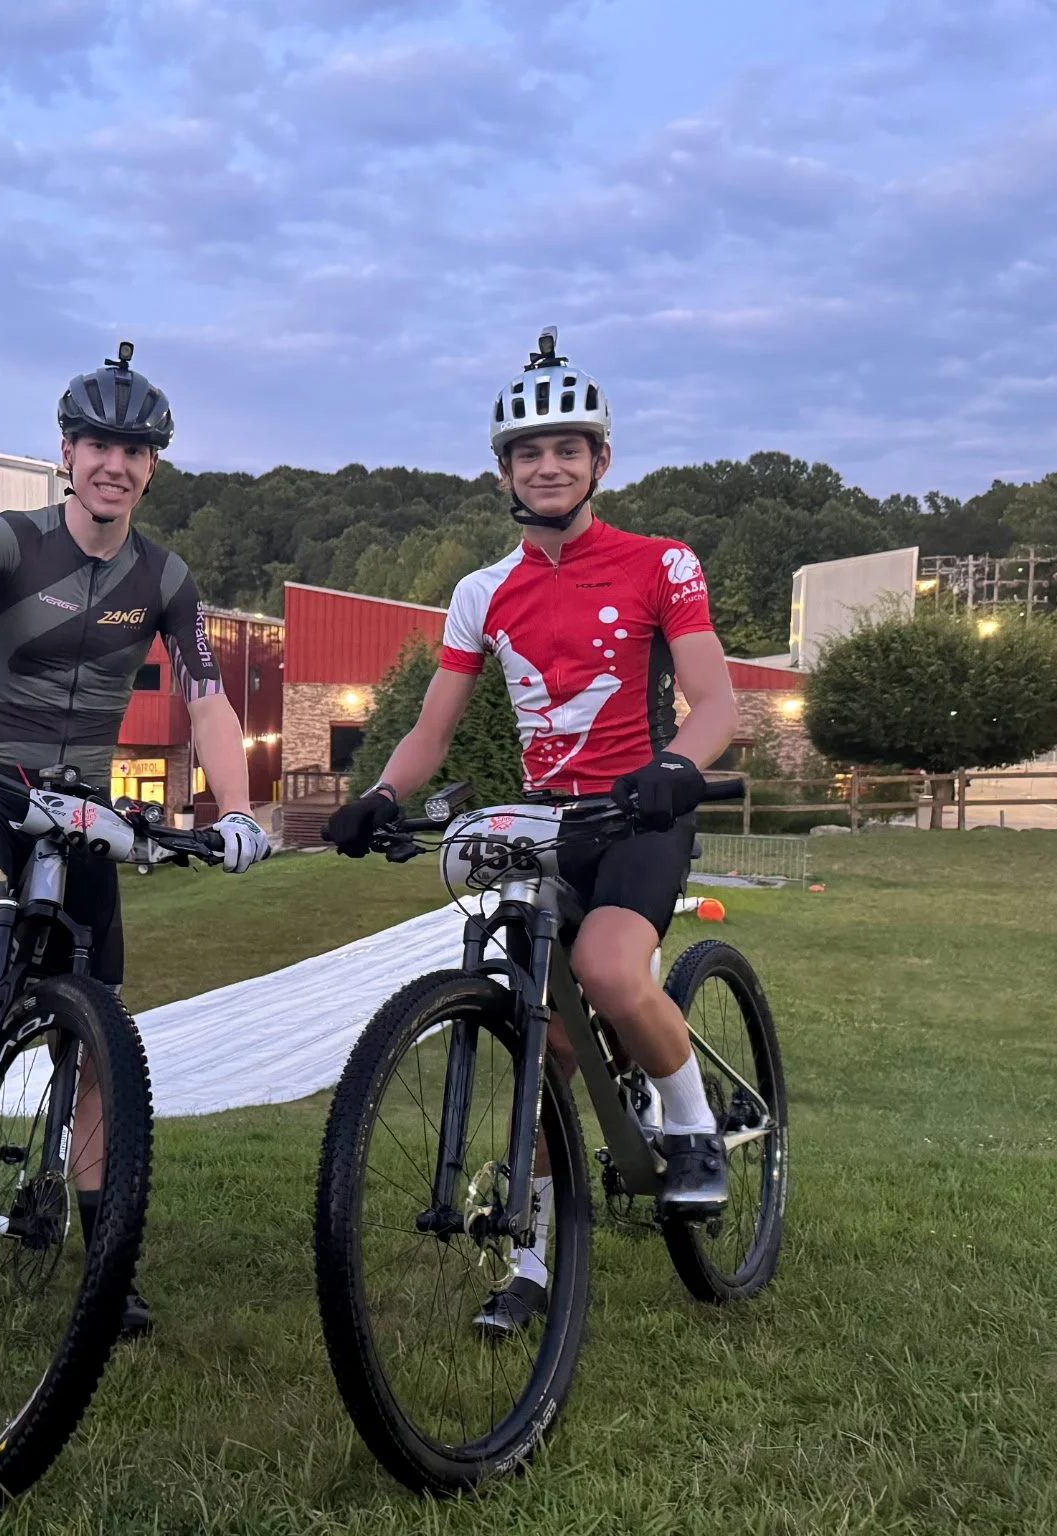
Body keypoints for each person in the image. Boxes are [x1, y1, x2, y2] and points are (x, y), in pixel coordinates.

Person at [324, 328, 739, 1338]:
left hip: (637, 809)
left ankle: (691, 1128)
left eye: (566, 450)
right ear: (503, 472)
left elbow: (715, 700)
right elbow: (432, 726)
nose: (546, 467)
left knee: (605, 967)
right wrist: (379, 793)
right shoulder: (483, 591)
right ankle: (528, 1264)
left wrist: (671, 772)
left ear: (598, 462)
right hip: (545, 820)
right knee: (539, 1046)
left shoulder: (657, 564)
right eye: (526, 454)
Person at [0, 343, 269, 1337]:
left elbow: (207, 702)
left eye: (133, 449)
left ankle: (105, 1263)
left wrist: (240, 808)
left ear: (151, 466)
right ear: (66, 451)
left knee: (98, 1040)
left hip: (86, 807)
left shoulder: (163, 575)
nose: (112, 463)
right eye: (96, 444)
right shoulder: (7, 540)